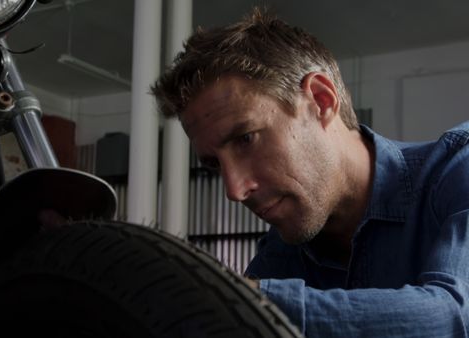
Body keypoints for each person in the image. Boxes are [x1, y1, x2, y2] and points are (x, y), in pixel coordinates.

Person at [151, 7, 469, 338]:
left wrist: (236, 299)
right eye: (215, 165)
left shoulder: (459, 166)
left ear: (320, 99)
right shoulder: (280, 255)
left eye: (245, 139)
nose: (234, 190)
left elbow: (453, 316)